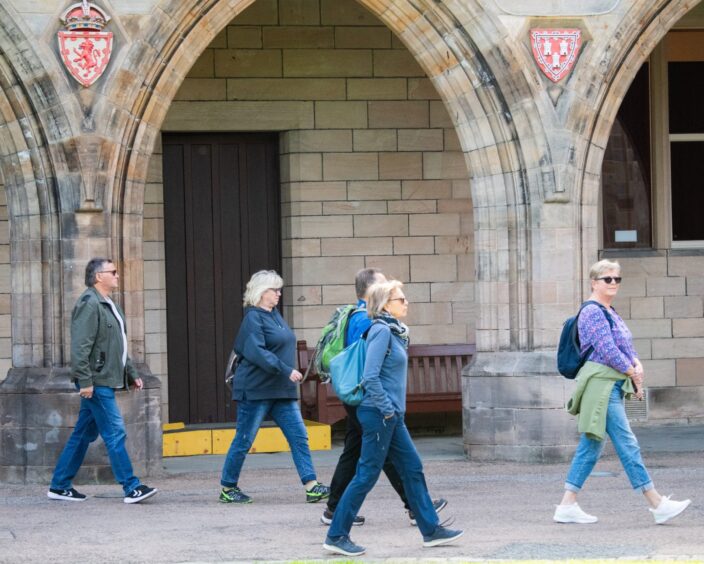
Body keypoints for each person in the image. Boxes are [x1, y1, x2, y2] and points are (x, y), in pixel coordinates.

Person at [323, 280, 463, 557]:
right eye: (400, 299)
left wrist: (392, 411)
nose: (406, 302)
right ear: (385, 305)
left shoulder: (394, 331)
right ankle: (336, 535)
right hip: (379, 413)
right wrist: (387, 408)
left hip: (390, 415)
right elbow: (370, 377)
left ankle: (431, 530)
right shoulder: (381, 331)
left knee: (412, 468)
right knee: (366, 474)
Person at [554, 259, 691, 525]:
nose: (613, 283)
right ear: (594, 282)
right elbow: (606, 349)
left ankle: (567, 504)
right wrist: (631, 371)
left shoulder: (610, 311)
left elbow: (624, 345)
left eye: (617, 279)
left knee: (592, 445)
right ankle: (656, 502)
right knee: (626, 441)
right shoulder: (592, 311)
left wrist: (636, 364)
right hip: (602, 385)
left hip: (614, 383)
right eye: (608, 279)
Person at [48, 258, 158, 504]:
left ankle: (59, 485)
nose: (118, 275)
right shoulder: (89, 303)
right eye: (113, 272)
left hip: (104, 379)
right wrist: (85, 380)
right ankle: (131, 487)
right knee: (115, 431)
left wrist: (131, 374)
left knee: (83, 434)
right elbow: (80, 346)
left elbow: (119, 345)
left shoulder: (110, 304)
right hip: (96, 382)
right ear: (99, 276)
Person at [219, 270, 330, 504]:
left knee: (299, 436)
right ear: (261, 292)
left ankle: (311, 485)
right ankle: (228, 488)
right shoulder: (253, 318)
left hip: (281, 390)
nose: (279, 294)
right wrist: (286, 369)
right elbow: (257, 352)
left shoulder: (275, 315)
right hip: (256, 388)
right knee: (244, 440)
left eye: (280, 289)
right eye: (274, 290)